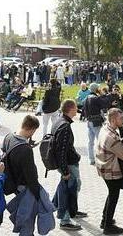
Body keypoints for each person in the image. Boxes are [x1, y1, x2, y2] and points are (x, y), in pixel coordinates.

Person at [51, 99, 87, 231]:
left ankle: (71, 209)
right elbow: (61, 150)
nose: (77, 109)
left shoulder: (59, 121)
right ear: (71, 109)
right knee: (69, 189)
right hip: (68, 164)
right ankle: (65, 219)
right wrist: (65, 171)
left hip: (68, 163)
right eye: (76, 107)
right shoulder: (64, 126)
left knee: (69, 188)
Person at [96, 108, 123, 235]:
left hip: (103, 167)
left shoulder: (105, 129)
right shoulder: (111, 137)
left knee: (111, 194)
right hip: (111, 170)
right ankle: (108, 226)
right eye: (121, 118)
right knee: (114, 196)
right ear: (114, 120)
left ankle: (105, 220)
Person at [84, 83, 110, 165]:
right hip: (96, 122)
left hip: (89, 121)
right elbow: (105, 104)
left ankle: (91, 159)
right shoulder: (95, 98)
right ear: (96, 89)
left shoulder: (87, 97)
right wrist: (103, 94)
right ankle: (101, 158)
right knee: (100, 140)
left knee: (90, 142)